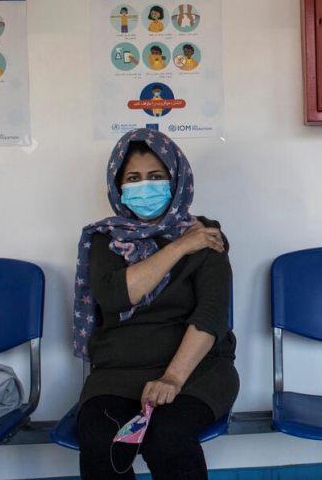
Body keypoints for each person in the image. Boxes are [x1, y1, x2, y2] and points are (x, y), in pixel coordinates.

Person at [73, 129, 238, 480]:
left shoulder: (206, 236)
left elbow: (210, 317)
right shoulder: (106, 239)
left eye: (156, 177)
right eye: (133, 178)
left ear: (176, 179)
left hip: (196, 371)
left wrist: (172, 378)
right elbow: (115, 296)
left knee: (167, 436)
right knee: (102, 443)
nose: (144, 186)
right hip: (116, 374)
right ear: (118, 186)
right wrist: (178, 247)